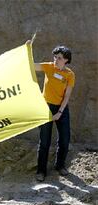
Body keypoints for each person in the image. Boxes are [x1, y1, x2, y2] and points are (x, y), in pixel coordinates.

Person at [33, 45, 75, 182]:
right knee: (44, 141)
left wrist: (60, 112)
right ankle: (41, 171)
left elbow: (67, 96)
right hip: (45, 107)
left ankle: (60, 165)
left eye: (59, 58)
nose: (56, 60)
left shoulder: (70, 75)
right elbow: (32, 65)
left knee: (64, 139)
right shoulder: (49, 67)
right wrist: (27, 48)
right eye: (55, 57)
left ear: (66, 60)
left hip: (61, 108)